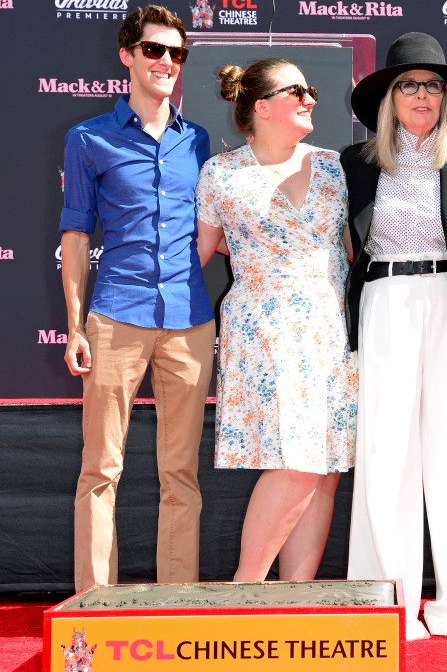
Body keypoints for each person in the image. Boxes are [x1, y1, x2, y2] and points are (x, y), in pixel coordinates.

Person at [342, 31, 447, 641]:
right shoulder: (352, 165)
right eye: (409, 84)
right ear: (389, 97)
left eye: (433, 86)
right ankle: (385, 608)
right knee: (386, 454)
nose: (422, 95)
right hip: (384, 302)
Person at [60, 5, 215, 592]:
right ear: (128, 56)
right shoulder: (87, 138)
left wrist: (178, 274)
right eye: (155, 50)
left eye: (177, 53)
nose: (167, 63)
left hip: (190, 323)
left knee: (181, 473)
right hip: (114, 317)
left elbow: (211, 230)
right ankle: (92, 603)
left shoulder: (197, 141)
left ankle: (176, 602)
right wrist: (76, 326)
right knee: (101, 470)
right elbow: (75, 236)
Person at [194, 59, 357, 582]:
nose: (312, 98)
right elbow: (198, 251)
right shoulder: (221, 173)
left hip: (330, 333)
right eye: (298, 91)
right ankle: (245, 592)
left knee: (324, 470)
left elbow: (358, 248)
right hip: (266, 332)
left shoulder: (336, 166)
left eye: (311, 89)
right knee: (297, 461)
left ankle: (296, 598)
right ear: (260, 107)